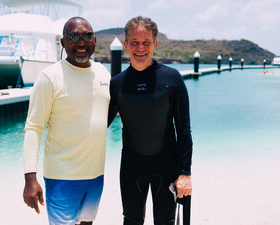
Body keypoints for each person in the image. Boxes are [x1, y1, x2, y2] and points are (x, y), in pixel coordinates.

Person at [22, 17, 111, 225]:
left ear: (95, 40)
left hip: (96, 176)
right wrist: (30, 179)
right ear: (63, 42)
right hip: (62, 178)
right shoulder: (50, 77)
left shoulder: (102, 72)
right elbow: (33, 128)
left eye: (87, 36)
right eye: (73, 36)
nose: (81, 42)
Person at [108, 16, 193, 225]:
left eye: (146, 42)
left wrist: (185, 172)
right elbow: (99, 124)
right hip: (131, 168)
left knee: (165, 222)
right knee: (131, 221)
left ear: (154, 44)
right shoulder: (117, 84)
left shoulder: (172, 79)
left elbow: (184, 129)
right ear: (126, 45)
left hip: (167, 168)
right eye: (135, 42)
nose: (140, 48)